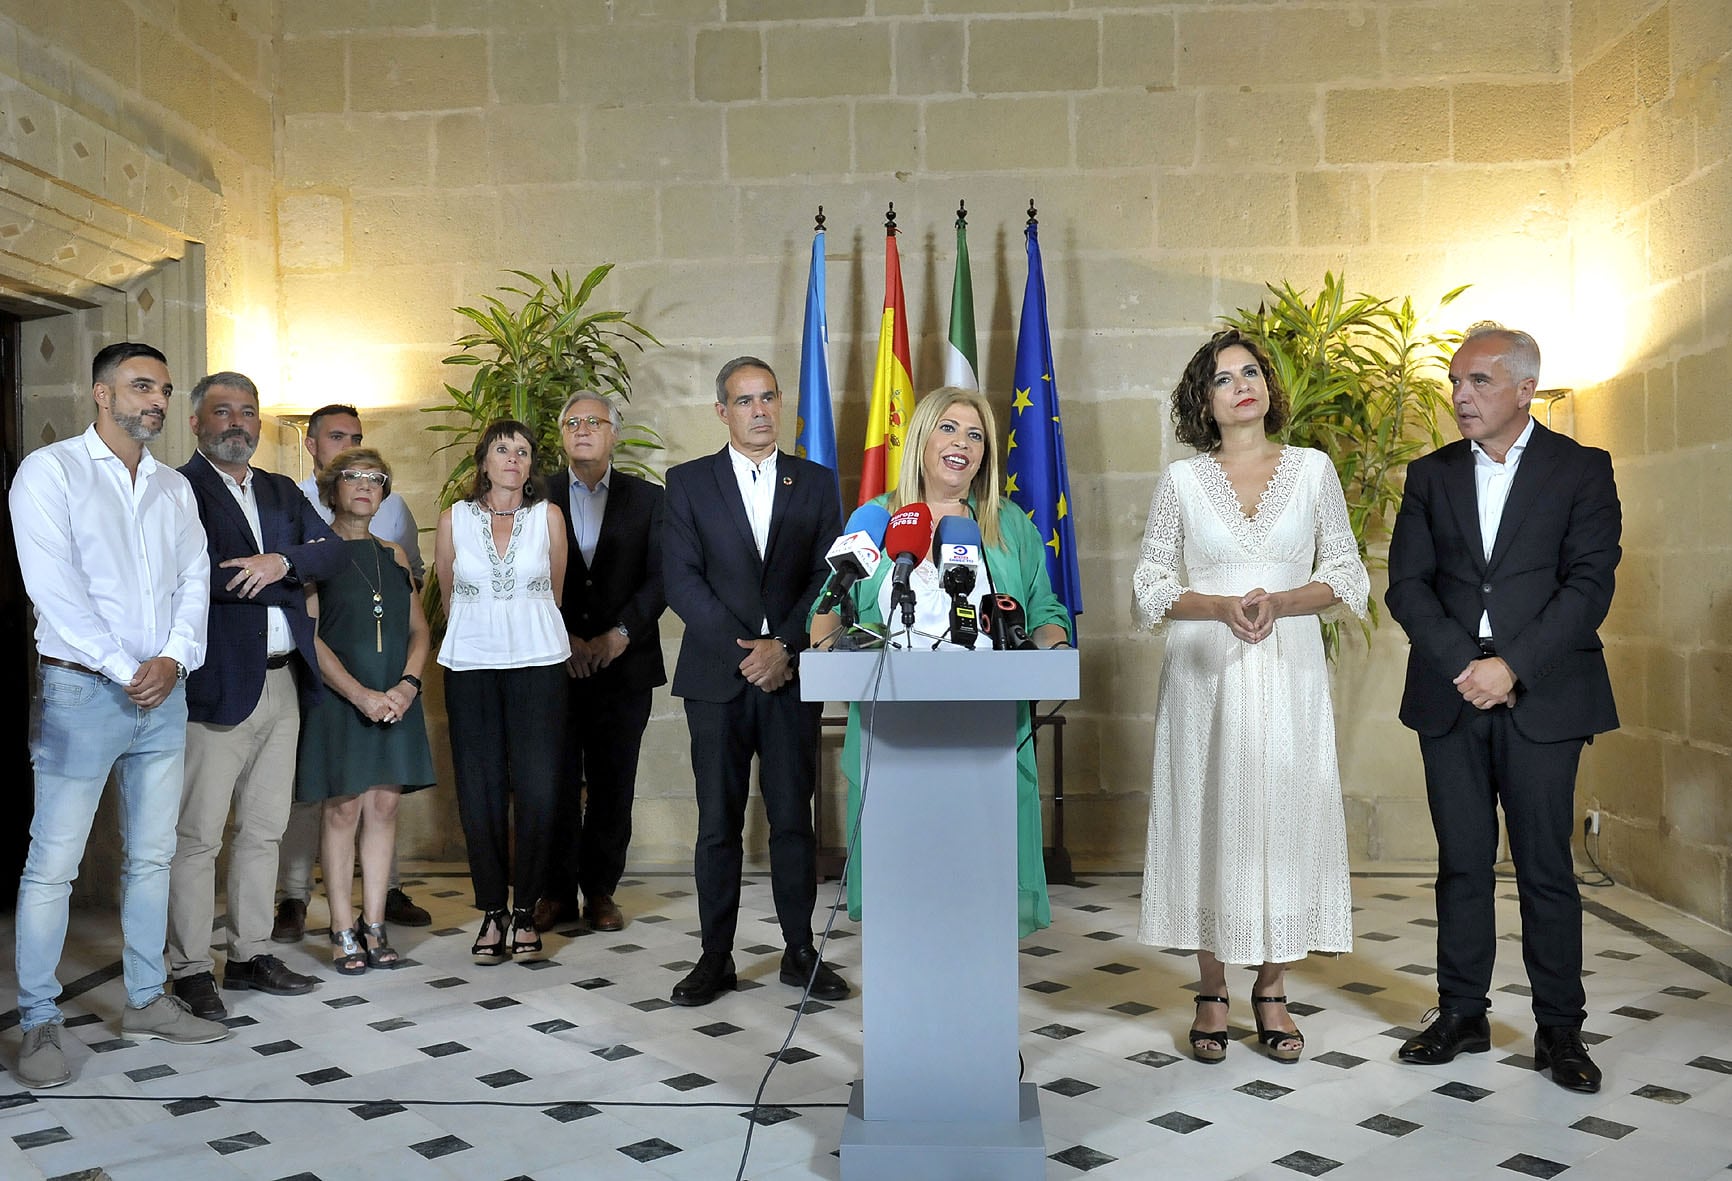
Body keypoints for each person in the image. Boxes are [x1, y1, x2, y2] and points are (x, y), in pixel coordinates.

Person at [1386, 323, 1620, 1094]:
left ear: (1526, 387)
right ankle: (1462, 1013)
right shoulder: (1430, 475)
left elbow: (1588, 585)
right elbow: (1407, 586)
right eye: (1455, 381)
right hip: (1451, 695)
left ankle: (1560, 1031)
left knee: (1547, 866)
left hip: (1545, 694)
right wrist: (1469, 665)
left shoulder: (1582, 469)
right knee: (1460, 862)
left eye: (1480, 380)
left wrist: (1512, 665)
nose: (1461, 394)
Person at [1132, 329, 1368, 1065]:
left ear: (1268, 387)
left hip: (1289, 671)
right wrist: (1218, 606)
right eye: (1224, 376)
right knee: (1210, 818)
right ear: (1204, 400)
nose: (1243, 383)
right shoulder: (1182, 482)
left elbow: (1349, 573)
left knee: (1283, 815)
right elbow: (1148, 585)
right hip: (1207, 674)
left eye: (1252, 371)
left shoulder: (1313, 470)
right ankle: (1210, 988)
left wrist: (1284, 599)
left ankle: (1272, 987)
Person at [9, 343, 229, 1088]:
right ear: (100, 393)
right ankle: (39, 1019)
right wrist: (124, 667)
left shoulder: (172, 487)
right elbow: (54, 586)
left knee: (153, 855)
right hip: (81, 691)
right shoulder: (52, 471)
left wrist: (174, 657)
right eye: (142, 387)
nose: (157, 401)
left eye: (163, 390)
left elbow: (194, 577)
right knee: (53, 865)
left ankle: (145, 998)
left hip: (163, 694)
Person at [808, 387, 1072, 938]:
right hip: (892, 722)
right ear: (922, 439)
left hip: (991, 721)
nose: (963, 444)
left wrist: (1052, 648)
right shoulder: (876, 517)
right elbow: (831, 605)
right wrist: (825, 635)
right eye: (949, 429)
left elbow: (1044, 607)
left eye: (976, 435)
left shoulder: (1009, 522)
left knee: (979, 871)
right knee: (906, 871)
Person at [662, 356, 845, 1007]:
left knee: (796, 819)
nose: (760, 410)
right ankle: (716, 957)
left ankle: (799, 951)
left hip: (792, 676)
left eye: (768, 397)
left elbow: (831, 574)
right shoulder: (686, 483)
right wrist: (749, 651)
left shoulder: (816, 482)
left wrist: (785, 646)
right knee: (719, 822)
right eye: (745, 400)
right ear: (722, 411)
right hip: (718, 677)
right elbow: (681, 578)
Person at [169, 371, 346, 1020]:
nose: (237, 422)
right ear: (196, 422)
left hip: (284, 682)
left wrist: (281, 563)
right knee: (197, 837)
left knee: (264, 831)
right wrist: (283, 566)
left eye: (248, 411)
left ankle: (247, 954)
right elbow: (199, 575)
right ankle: (188, 969)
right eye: (223, 411)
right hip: (214, 687)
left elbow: (331, 555)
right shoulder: (177, 490)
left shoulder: (277, 489)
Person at [274, 404, 431, 944]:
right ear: (331, 487)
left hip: (396, 698)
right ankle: (342, 927)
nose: (365, 487)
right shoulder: (316, 555)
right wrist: (363, 695)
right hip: (345, 700)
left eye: (376, 479)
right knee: (342, 810)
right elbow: (309, 638)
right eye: (353, 477)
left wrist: (407, 687)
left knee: (385, 805)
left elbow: (419, 631)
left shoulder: (394, 555)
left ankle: (375, 923)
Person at [434, 420, 570, 966]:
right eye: (501, 449)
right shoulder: (454, 520)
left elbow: (554, 593)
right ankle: (492, 910)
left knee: (538, 789)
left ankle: (525, 908)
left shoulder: (548, 517)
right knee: (479, 789)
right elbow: (447, 593)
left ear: (530, 463)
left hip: (539, 662)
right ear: (483, 461)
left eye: (522, 450)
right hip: (470, 664)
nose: (512, 458)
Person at [535, 392, 667, 935]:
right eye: (573, 422)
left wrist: (620, 635)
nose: (583, 429)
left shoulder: (651, 499)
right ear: (562, 434)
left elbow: (663, 577)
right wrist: (561, 636)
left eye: (595, 422)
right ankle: (557, 892)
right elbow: (518, 574)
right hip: (552, 662)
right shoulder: (533, 494)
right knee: (556, 781)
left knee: (615, 782)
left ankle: (602, 891)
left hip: (624, 665)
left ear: (615, 432)